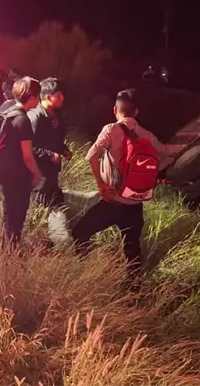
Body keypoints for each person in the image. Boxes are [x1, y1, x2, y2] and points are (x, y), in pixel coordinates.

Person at [71, 89, 169, 278]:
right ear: (137, 112)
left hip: (112, 201)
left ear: (115, 109)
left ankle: (87, 274)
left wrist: (101, 185)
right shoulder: (146, 135)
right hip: (135, 203)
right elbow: (164, 158)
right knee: (132, 251)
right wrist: (150, 178)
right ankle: (134, 291)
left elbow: (90, 157)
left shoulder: (111, 129)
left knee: (80, 232)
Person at [0, 77, 43, 246]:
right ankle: (13, 254)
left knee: (8, 214)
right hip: (17, 176)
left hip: (5, 173)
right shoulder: (23, 120)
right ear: (32, 96)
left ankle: (6, 250)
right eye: (38, 95)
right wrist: (36, 174)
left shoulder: (9, 113)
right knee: (17, 216)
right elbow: (27, 155)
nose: (39, 99)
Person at [27, 78, 72, 243]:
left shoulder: (56, 115)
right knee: (38, 205)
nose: (62, 98)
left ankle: (49, 240)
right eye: (58, 95)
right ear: (47, 96)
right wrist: (49, 154)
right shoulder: (35, 116)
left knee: (52, 203)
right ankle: (35, 240)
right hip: (38, 172)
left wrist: (63, 149)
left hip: (52, 171)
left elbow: (55, 140)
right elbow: (28, 147)